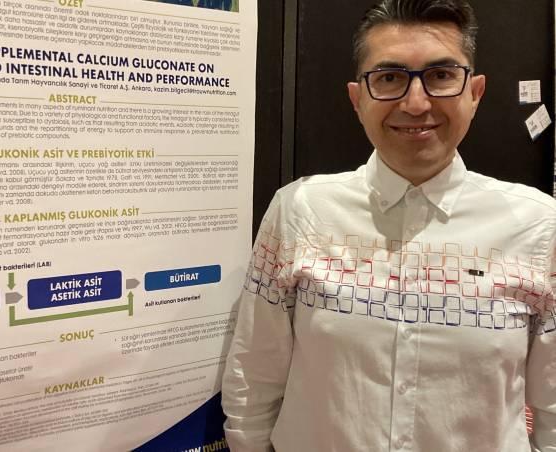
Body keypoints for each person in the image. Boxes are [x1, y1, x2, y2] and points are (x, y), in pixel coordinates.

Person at [221, 1, 556, 451]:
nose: (415, 103)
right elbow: (254, 376)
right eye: (389, 78)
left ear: (474, 93)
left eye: (441, 75)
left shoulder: (539, 227)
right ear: (357, 99)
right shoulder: (299, 211)